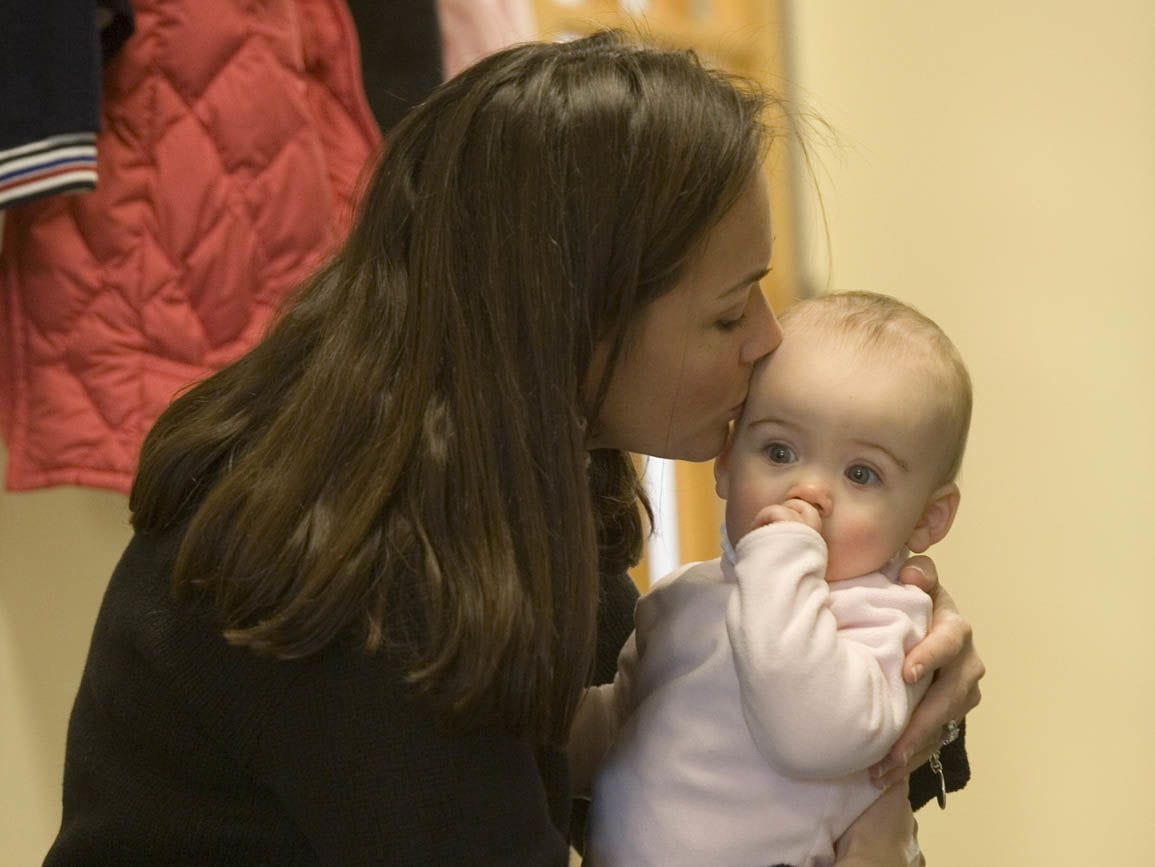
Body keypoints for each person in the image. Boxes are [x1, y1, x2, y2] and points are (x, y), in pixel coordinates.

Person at [44, 32, 982, 866]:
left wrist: (900, 674)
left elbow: (693, 743)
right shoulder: (354, 581)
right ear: (580, 318)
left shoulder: (516, 476)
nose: (767, 339)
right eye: (729, 310)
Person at [577, 292, 974, 867]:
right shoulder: (684, 597)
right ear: (727, 465)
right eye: (780, 451)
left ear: (926, 519)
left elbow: (807, 732)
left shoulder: (886, 623)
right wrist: (532, 733)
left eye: (861, 473)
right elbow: (621, 724)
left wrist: (782, 557)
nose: (808, 489)